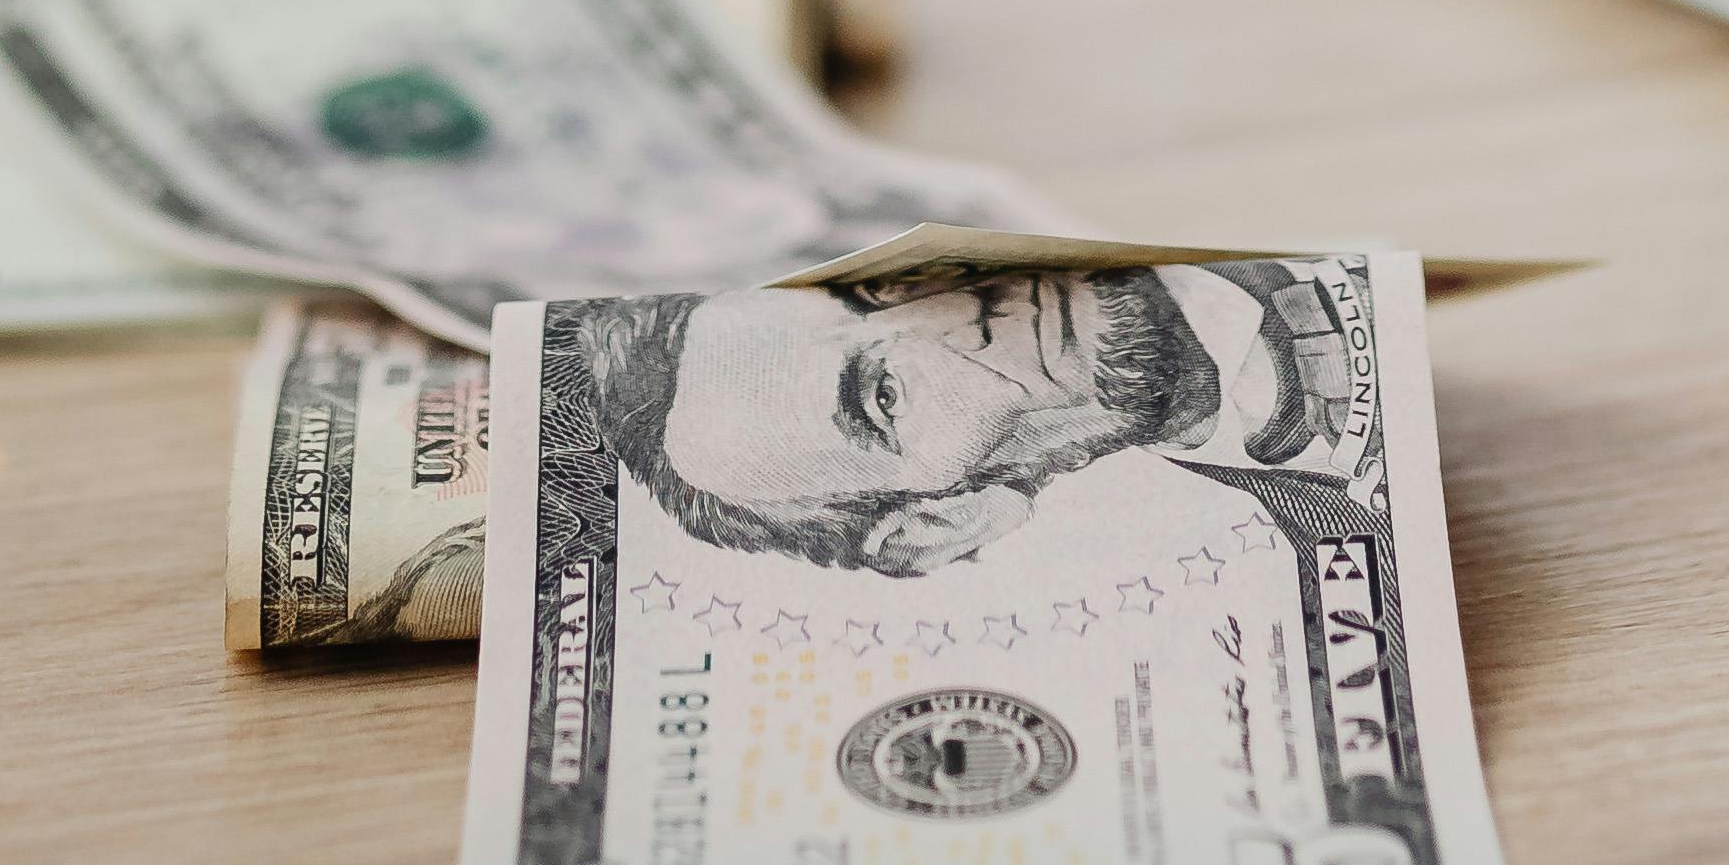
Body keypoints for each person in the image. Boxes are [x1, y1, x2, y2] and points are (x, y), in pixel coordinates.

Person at [560, 258, 1378, 582]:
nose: (958, 314)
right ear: (949, 518)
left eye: (874, 292)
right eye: (883, 395)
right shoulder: (1303, 527)